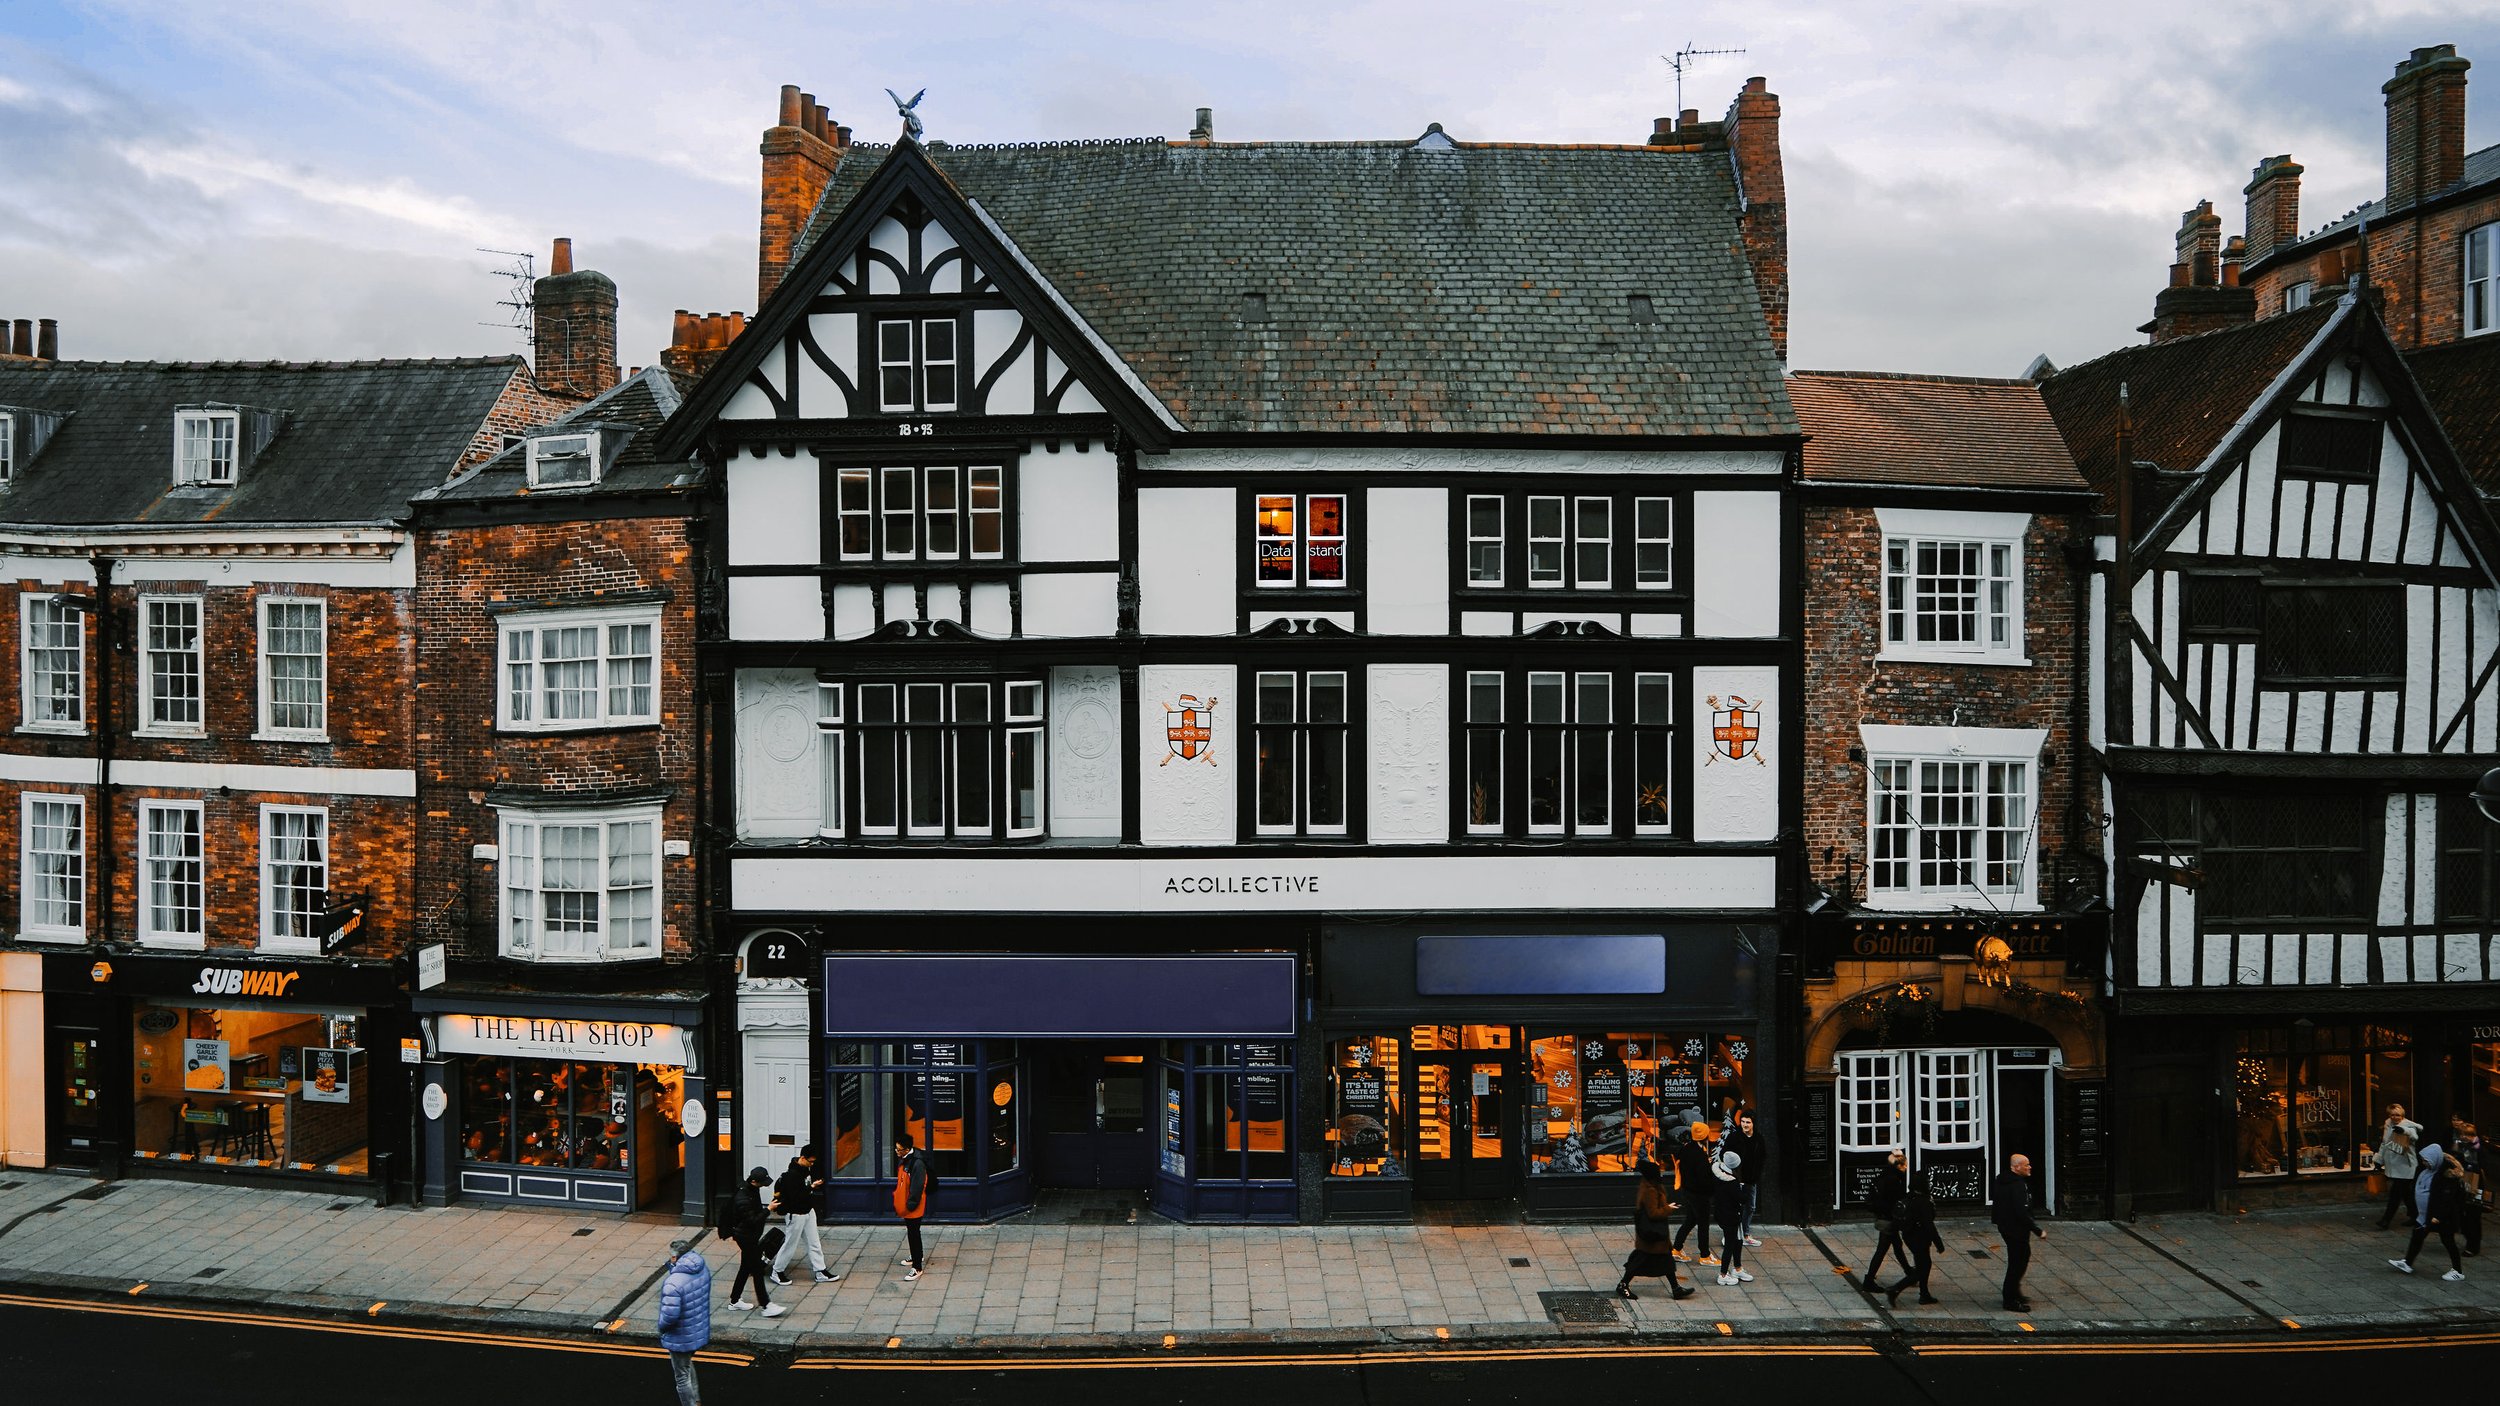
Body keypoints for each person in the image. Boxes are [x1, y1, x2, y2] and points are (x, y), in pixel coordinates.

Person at [1614, 1156, 1696, 1301]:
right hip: (1652, 1234)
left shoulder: (1650, 1185)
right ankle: (1623, 1284)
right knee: (1641, 1260)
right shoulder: (1650, 1190)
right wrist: (1668, 1208)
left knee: (1666, 1261)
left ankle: (1676, 1288)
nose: (1661, 1174)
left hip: (1656, 1235)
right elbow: (1653, 1213)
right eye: (1658, 1173)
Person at [2391, 1146, 2469, 1280]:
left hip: (2441, 1217)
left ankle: (2458, 1271)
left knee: (2448, 1241)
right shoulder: (2429, 1171)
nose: (2424, 1163)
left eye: (2426, 1160)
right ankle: (2407, 1263)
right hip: (2425, 1215)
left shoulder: (2446, 1176)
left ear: (2434, 1160)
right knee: (2417, 1237)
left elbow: (2446, 1200)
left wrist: (2437, 1216)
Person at [769, 1146, 838, 1285]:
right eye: (810, 1161)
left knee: (814, 1242)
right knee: (790, 1244)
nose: (812, 1164)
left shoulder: (805, 1170)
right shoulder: (791, 1176)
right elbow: (796, 1197)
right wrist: (811, 1187)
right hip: (796, 1214)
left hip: (808, 1211)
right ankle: (777, 1271)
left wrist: (811, 1186)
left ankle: (820, 1271)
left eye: (813, 1162)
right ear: (802, 1158)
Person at [724, 1167, 788, 1318]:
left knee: (745, 1268)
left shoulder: (751, 1190)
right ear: (753, 1181)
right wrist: (768, 1209)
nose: (764, 1185)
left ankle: (734, 1301)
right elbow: (752, 1220)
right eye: (762, 1182)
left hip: (749, 1235)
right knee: (757, 1270)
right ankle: (766, 1305)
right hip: (746, 1237)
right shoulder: (743, 1198)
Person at [655, 1239, 712, 1406]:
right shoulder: (701, 1269)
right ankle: (697, 1399)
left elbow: (669, 1317)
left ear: (675, 1258)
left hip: (680, 1335)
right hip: (697, 1328)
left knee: (681, 1376)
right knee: (687, 1365)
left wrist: (662, 1328)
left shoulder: (673, 1283)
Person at [1991, 1152, 2046, 1312]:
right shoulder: (2018, 1186)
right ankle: (2010, 1299)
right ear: (2016, 1167)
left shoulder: (2003, 1180)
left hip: (2006, 1227)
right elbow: (2021, 1212)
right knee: (2017, 1263)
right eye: (2026, 1165)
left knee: (2021, 1257)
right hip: (2016, 1229)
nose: (2030, 1167)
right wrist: (2037, 1230)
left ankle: (2014, 1292)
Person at [1885, 1170, 1946, 1307]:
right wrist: (1938, 1243)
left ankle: (1924, 1294)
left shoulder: (1909, 1197)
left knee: (1924, 1264)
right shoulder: (1923, 1202)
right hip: (1920, 1237)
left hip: (1909, 1235)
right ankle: (1895, 1289)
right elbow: (1928, 1224)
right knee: (1922, 1268)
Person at [1669, 1123, 1718, 1266]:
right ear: (1705, 1137)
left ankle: (1677, 1249)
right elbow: (1703, 1179)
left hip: (1688, 1192)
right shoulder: (1700, 1155)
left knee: (1690, 1220)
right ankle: (1705, 1256)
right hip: (1699, 1195)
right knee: (1703, 1224)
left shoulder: (1686, 1149)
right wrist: (1712, 1189)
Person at [1864, 1147, 1909, 1283]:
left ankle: (1908, 1271)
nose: (1906, 1168)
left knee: (1897, 1246)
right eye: (1904, 1165)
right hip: (1888, 1219)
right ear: (1898, 1166)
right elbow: (1894, 1202)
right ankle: (1869, 1280)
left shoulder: (1884, 1176)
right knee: (1882, 1250)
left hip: (1883, 1217)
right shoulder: (1894, 1180)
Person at [1723, 1110, 1766, 1247]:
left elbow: (1762, 1157)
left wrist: (1757, 1174)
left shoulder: (1758, 1138)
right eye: (1742, 1121)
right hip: (1736, 1178)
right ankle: (1730, 1235)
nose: (1745, 1124)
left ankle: (1745, 1234)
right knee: (1734, 1209)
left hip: (1751, 1180)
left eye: (1748, 1122)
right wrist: (1732, 1174)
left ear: (1753, 1123)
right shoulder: (1734, 1137)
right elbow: (1725, 1154)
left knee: (1750, 1207)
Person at [1710, 1148, 1751, 1286]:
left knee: (1737, 1241)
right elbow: (1742, 1199)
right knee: (1730, 1244)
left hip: (1722, 1213)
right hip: (1731, 1216)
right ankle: (1723, 1274)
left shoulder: (1717, 1172)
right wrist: (1745, 1188)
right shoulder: (1732, 1182)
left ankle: (1737, 1268)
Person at [894, 1131, 930, 1281]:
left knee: (913, 1233)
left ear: (907, 1149)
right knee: (913, 1231)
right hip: (909, 1203)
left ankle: (917, 1267)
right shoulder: (907, 1159)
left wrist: (910, 1205)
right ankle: (917, 1256)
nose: (896, 1152)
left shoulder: (916, 1163)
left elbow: (917, 1186)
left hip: (913, 1205)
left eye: (899, 1149)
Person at [2374, 1128, 2421, 1231]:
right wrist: (2379, 1160)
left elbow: (2414, 1137)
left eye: (2398, 1115)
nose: (2395, 1117)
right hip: (2394, 1166)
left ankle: (2386, 1220)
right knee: (2406, 1194)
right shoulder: (2388, 1125)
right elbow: (2384, 1145)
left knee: (2395, 1193)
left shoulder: (2409, 1125)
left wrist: (2403, 1131)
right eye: (2392, 1115)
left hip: (2406, 1166)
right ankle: (2416, 1216)